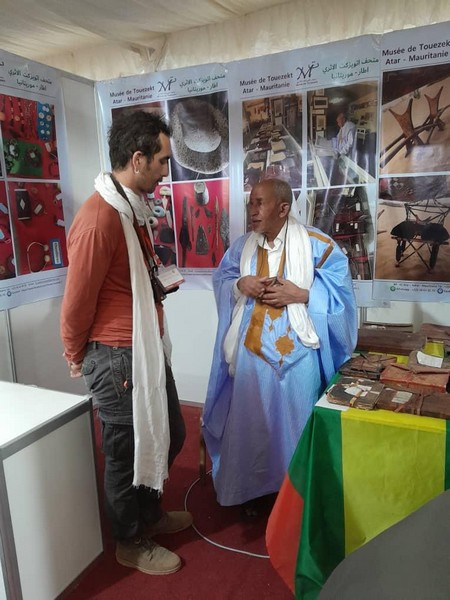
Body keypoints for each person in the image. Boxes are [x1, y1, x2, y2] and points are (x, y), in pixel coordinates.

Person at [60, 110, 192, 576]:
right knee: (123, 454)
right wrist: (74, 353)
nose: (164, 171)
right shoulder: (100, 218)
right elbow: (76, 302)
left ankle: (149, 514)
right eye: (161, 161)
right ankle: (129, 540)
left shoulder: (129, 208)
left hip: (143, 349)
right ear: (138, 159)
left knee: (170, 433)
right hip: (116, 355)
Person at [202, 178, 357, 513]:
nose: (252, 210)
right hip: (252, 357)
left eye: (260, 203)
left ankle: (295, 499)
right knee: (252, 428)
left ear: (284, 208)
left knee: (296, 427)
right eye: (251, 203)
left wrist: (302, 295)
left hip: (298, 358)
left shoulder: (317, 245)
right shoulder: (242, 247)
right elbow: (223, 279)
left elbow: (343, 294)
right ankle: (253, 492)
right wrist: (241, 283)